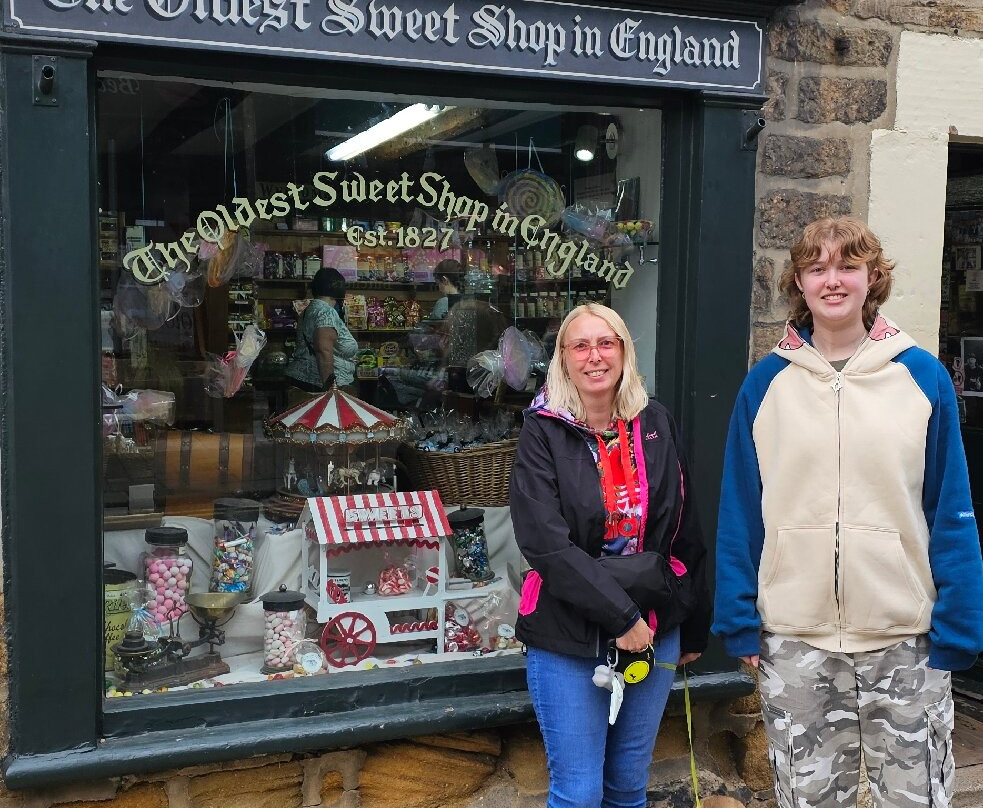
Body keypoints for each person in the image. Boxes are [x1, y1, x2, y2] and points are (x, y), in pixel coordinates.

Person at [713, 216, 983, 808]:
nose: (832, 280)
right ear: (799, 282)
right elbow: (741, 510)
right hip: (796, 640)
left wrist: (960, 623)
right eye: (817, 268)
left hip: (905, 639)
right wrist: (737, 616)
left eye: (847, 266)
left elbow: (950, 507)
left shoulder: (921, 377)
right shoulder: (765, 385)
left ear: (872, 277)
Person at [510, 303, 710, 808]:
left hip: (654, 628)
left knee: (627, 787)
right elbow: (546, 545)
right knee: (579, 794)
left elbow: (685, 527)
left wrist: (693, 625)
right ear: (563, 357)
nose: (594, 356)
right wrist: (622, 618)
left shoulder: (654, 421)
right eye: (580, 345)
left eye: (606, 343)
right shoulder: (542, 431)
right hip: (568, 633)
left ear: (624, 351)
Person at [284, 267, 358, 393]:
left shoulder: (309, 310)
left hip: (303, 380)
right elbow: (323, 350)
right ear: (339, 288)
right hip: (318, 385)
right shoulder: (326, 312)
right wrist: (330, 389)